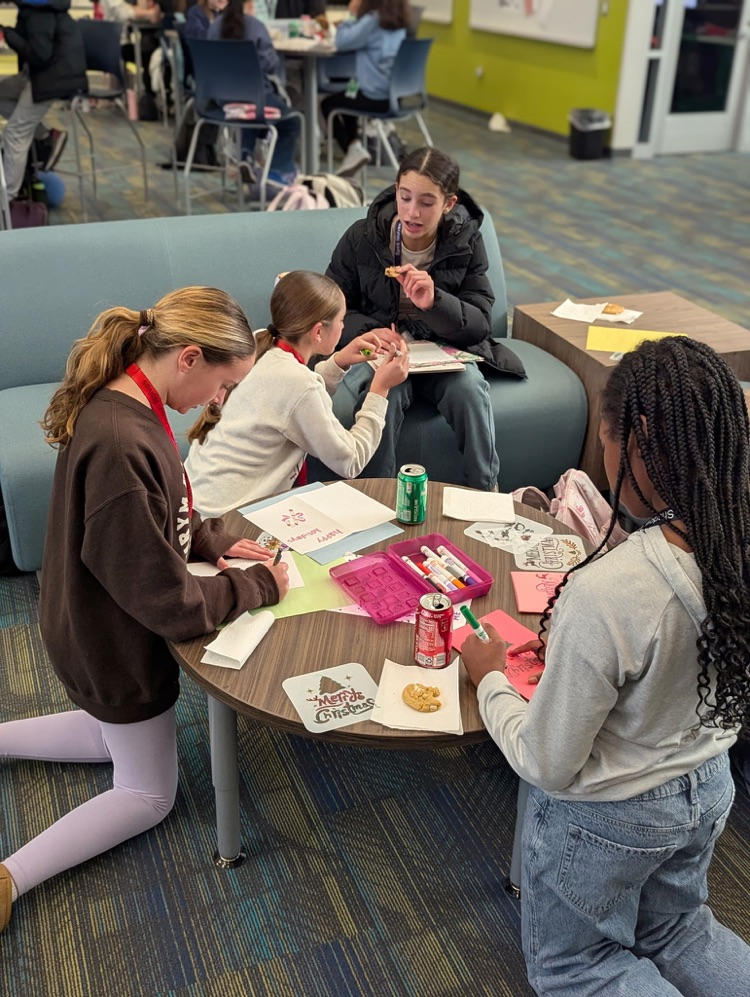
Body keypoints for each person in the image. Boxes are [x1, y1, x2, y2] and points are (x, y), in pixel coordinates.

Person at [461, 336, 750, 996]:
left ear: (637, 440)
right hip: (707, 783)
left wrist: (489, 678)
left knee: (580, 968)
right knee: (682, 932)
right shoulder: (734, 545)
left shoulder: (612, 591)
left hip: (614, 816)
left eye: (607, 439)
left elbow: (547, 762)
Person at [0, 286, 290, 935]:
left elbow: (163, 511)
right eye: (224, 385)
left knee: (111, 732)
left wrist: (209, 539)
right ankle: (10, 876)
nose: (220, 402)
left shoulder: (134, 400)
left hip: (90, 619)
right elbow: (170, 602)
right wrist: (257, 585)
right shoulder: (120, 442)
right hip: (110, 639)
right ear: (189, 357)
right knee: (149, 793)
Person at [326, 146, 525, 492]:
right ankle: (376, 498)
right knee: (384, 393)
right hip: (384, 353)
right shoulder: (363, 237)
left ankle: (485, 493)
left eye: (427, 202)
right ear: (396, 191)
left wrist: (435, 303)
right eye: (405, 197)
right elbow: (332, 309)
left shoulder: (466, 242)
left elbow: (480, 322)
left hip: (441, 350)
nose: (412, 212)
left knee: (470, 389)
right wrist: (373, 332)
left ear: (449, 203)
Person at [185, 270, 409, 518]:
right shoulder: (297, 382)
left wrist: (338, 362)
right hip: (225, 519)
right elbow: (351, 460)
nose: (344, 326)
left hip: (195, 504)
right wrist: (380, 390)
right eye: (341, 319)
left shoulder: (259, 341)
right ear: (318, 331)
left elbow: (291, 401)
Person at [0, 0, 87, 202]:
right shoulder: (35, 6)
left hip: (55, 77)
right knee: (2, 93)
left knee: (15, 132)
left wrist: (9, 35)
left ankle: (7, 200)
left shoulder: (39, 11)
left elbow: (40, 54)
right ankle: (46, 136)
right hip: (44, 74)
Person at [207, 0, 300, 186]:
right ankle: (275, 175)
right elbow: (270, 64)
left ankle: (246, 156)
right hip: (255, 99)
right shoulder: (256, 27)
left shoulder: (214, 27)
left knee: (250, 111)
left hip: (222, 101)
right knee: (291, 121)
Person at [320, 0, 410, 177]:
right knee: (348, 97)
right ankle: (355, 147)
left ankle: (352, 150)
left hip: (376, 96)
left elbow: (341, 41)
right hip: (395, 95)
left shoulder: (372, 21)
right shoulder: (399, 23)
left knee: (328, 104)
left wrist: (351, 16)